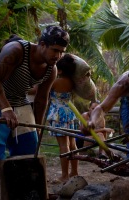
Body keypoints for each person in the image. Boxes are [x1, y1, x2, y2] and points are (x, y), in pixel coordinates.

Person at [0, 25, 69, 161]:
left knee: (29, 150)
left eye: (61, 52)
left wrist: (38, 127)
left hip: (19, 101)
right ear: (42, 44)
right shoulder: (16, 50)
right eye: (55, 50)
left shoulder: (51, 70)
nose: (58, 56)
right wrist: (6, 109)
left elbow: (41, 99)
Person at [47, 53, 81, 183]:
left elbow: (39, 91)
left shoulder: (56, 81)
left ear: (59, 70)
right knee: (72, 144)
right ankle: (74, 172)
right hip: (70, 113)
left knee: (63, 145)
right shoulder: (72, 82)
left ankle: (64, 175)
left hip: (58, 114)